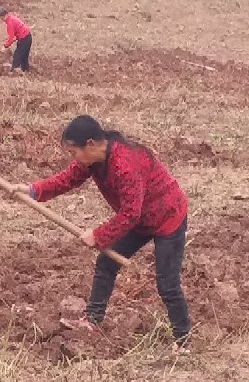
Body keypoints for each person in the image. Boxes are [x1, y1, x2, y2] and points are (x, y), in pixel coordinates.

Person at [17, 116, 191, 345]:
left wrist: (98, 236)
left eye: (73, 152)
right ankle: (93, 321)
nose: (74, 159)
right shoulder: (95, 159)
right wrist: (33, 191)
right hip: (140, 220)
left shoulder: (124, 164)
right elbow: (67, 179)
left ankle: (183, 340)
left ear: (90, 144)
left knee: (167, 285)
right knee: (106, 264)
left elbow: (130, 213)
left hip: (168, 217)